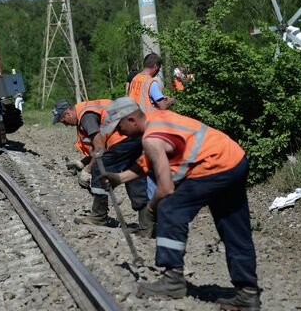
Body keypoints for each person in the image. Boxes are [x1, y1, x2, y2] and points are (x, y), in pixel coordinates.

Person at [99, 97, 260, 310]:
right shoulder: (156, 118)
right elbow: (150, 160)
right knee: (233, 225)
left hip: (213, 166)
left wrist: (151, 208)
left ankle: (172, 279)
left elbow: (165, 189)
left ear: (131, 120)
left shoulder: (150, 138)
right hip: (234, 158)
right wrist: (120, 178)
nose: (120, 133)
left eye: (120, 127)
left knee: (170, 209)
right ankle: (247, 292)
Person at [52, 99, 149, 229]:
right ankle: (147, 224)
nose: (65, 125)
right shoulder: (87, 110)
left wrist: (87, 170)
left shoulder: (86, 117)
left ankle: (98, 217)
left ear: (68, 113)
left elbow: (99, 148)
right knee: (133, 175)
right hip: (133, 135)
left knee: (99, 169)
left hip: (123, 138)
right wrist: (83, 162)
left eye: (63, 121)